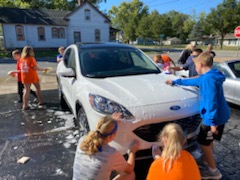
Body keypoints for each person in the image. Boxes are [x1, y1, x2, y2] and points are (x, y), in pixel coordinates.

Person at [166, 52, 230, 179]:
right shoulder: (212, 75)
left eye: (195, 65)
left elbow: (211, 101)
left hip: (213, 118)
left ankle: (213, 172)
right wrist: (176, 82)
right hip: (221, 115)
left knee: (203, 142)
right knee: (209, 141)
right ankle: (208, 160)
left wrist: (212, 123)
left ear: (200, 64)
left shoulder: (208, 79)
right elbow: (194, 81)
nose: (194, 67)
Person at [72, 112, 140, 180]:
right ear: (111, 136)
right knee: (131, 175)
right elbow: (129, 169)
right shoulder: (111, 154)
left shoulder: (82, 140)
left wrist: (111, 123)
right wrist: (132, 152)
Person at [20, 46, 47, 110]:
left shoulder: (22, 59)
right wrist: (43, 69)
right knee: (38, 88)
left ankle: (25, 105)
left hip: (24, 76)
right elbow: (34, 67)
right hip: (32, 75)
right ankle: (41, 101)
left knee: (26, 90)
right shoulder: (31, 58)